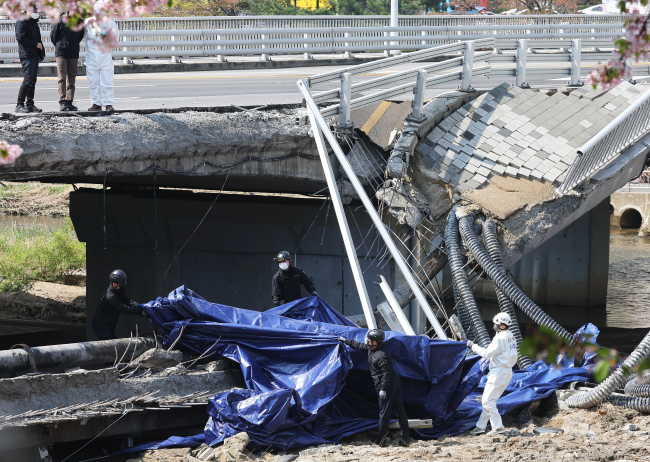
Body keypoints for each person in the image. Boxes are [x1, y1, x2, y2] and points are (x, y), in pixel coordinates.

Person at [338, 329, 410, 447]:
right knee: (399, 410)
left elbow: (386, 374)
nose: (368, 341)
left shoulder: (381, 356)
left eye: (370, 340)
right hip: (392, 382)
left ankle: (381, 441)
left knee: (384, 413)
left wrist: (383, 389)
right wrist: (345, 341)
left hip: (389, 384)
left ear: (376, 342)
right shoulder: (372, 349)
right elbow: (360, 346)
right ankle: (406, 438)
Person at [466, 312, 519, 436]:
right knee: (489, 400)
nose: (494, 325)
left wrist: (472, 346)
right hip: (506, 371)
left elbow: (486, 354)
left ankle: (498, 428)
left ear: (500, 324)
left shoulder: (500, 338)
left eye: (496, 323)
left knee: (487, 402)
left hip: (499, 372)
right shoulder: (509, 335)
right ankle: (480, 427)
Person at [85, 1, 118, 112]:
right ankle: (96, 103)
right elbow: (83, 37)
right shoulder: (88, 23)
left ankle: (108, 104)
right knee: (93, 81)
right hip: (91, 56)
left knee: (107, 81)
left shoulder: (111, 24)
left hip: (105, 56)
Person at [92, 269, 142, 340]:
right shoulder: (111, 296)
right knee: (110, 347)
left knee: (114, 344)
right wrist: (139, 311)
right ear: (114, 284)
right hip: (102, 326)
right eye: (121, 285)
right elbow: (123, 308)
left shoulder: (119, 290)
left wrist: (141, 306)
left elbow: (128, 301)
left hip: (109, 325)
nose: (122, 286)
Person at [50, 11, 85, 111]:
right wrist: (60, 45)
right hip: (61, 53)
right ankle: (62, 101)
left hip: (73, 53)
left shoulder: (80, 22)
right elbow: (53, 36)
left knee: (72, 78)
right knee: (62, 78)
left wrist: (73, 44)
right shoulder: (61, 21)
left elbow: (80, 36)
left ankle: (69, 102)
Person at [15, 8, 45, 114]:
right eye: (33, 11)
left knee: (32, 80)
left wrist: (41, 53)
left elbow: (39, 40)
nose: (36, 13)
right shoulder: (21, 21)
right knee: (28, 80)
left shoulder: (34, 23)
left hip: (35, 54)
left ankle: (30, 104)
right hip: (26, 54)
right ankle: (19, 104)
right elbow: (20, 37)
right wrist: (35, 44)